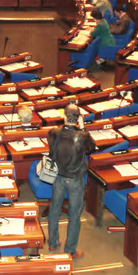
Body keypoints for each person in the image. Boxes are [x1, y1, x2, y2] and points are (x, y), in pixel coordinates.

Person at [45, 104, 96, 258]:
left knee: (54, 210)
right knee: (74, 215)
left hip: (58, 177)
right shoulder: (83, 136)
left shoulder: (53, 133)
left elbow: (51, 148)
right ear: (78, 118)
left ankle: (53, 243)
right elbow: (92, 148)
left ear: (64, 116)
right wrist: (83, 127)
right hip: (75, 180)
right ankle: (70, 250)